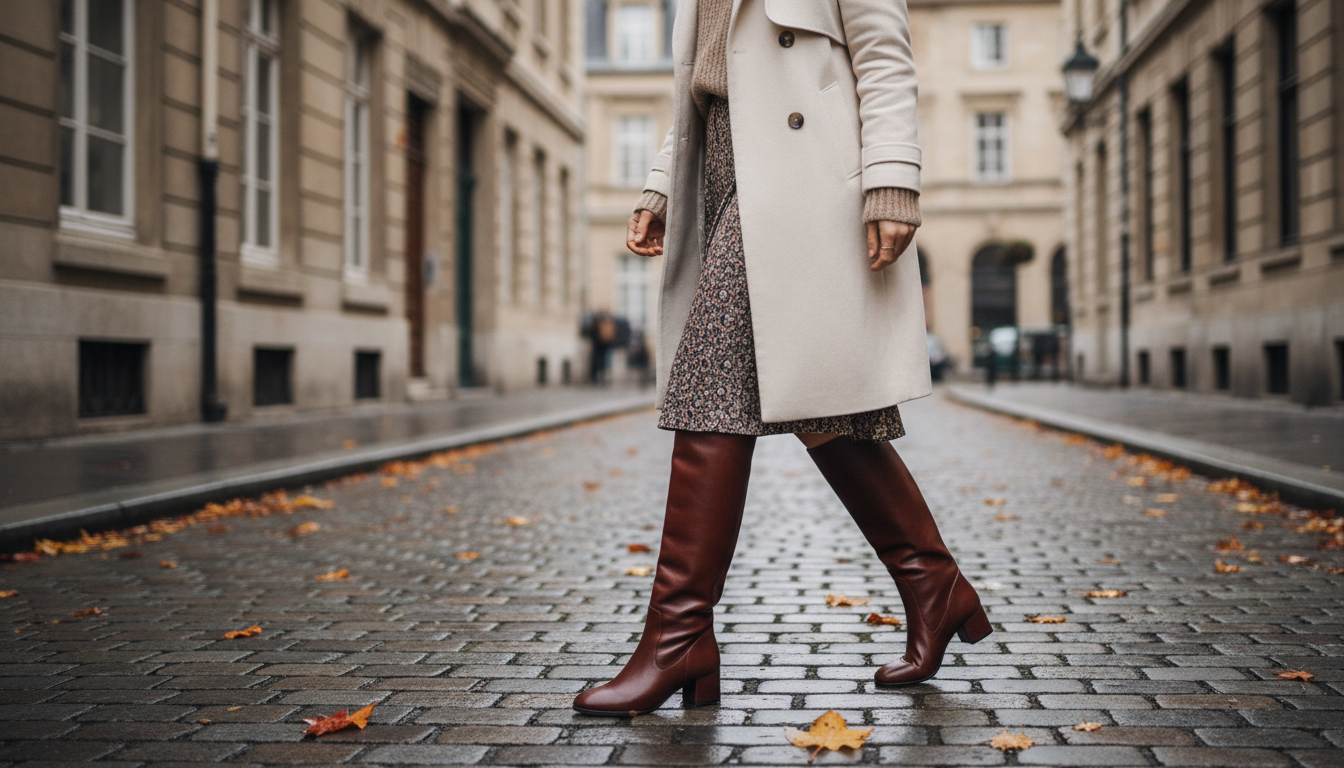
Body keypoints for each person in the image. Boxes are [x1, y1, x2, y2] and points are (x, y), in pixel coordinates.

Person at [573, 0, 991, 717]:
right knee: (819, 404)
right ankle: (933, 584)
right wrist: (663, 182)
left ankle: (678, 637)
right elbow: (699, 86)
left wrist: (891, 176)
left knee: (708, 384)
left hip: (806, 171)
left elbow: (884, 52)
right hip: (723, 168)